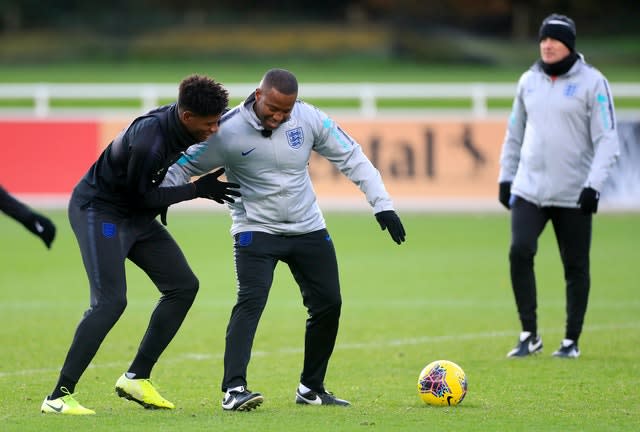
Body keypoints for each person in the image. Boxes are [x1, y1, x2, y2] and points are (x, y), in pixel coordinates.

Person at [163, 68, 406, 411]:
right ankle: (234, 390)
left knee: (329, 304)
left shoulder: (308, 119)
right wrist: (163, 198)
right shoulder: (227, 130)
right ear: (259, 95)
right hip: (254, 229)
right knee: (251, 302)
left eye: (285, 112)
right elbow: (181, 167)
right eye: (273, 109)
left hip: (307, 227)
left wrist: (382, 205)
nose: (278, 116)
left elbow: (351, 156)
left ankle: (311, 388)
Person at [40, 74, 241, 415]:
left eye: (217, 121)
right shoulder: (150, 140)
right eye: (209, 124)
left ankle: (136, 377)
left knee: (182, 286)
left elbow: (142, 200)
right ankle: (58, 397)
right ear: (187, 117)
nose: (214, 129)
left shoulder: (184, 122)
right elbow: (144, 196)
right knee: (111, 301)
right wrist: (197, 189)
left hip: (133, 214)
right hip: (100, 212)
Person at [498, 14, 619, 359]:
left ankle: (571, 340)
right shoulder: (528, 82)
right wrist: (506, 176)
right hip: (529, 188)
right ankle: (529, 334)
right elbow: (514, 133)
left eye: (555, 39)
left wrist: (593, 185)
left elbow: (608, 139)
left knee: (575, 265)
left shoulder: (593, 83)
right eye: (543, 39)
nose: (547, 45)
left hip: (573, 193)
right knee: (519, 251)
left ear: (569, 45)